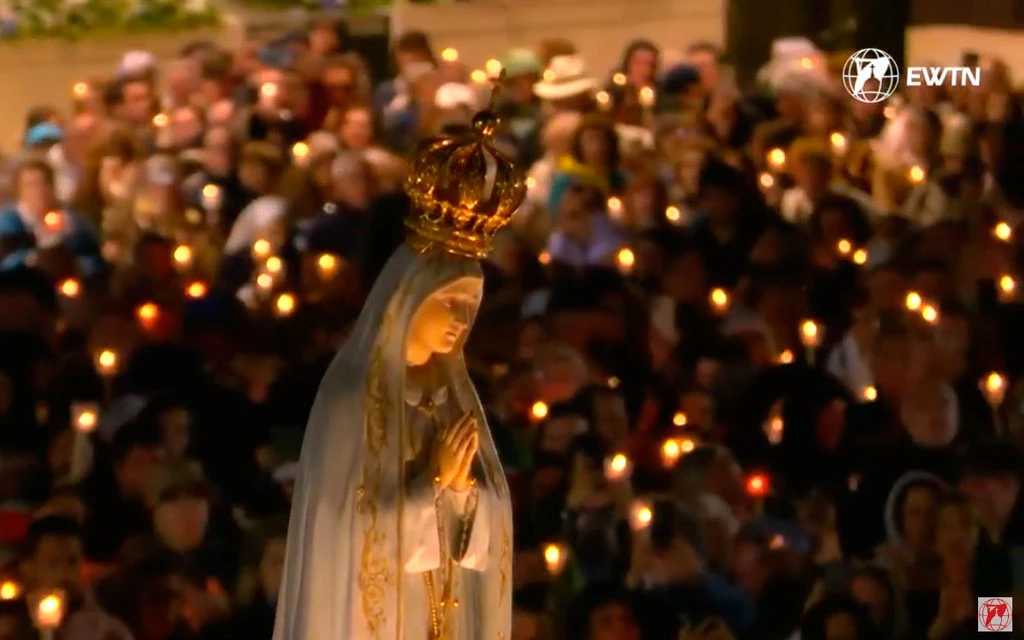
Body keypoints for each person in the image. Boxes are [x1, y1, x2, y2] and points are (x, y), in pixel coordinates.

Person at [273, 106, 521, 639]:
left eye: (471, 303)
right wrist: (434, 482)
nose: (462, 318)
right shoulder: (351, 395)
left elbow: (491, 514)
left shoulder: (457, 394)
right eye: (450, 300)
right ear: (408, 300)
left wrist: (462, 493)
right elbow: (342, 537)